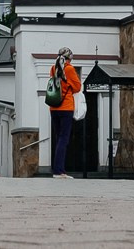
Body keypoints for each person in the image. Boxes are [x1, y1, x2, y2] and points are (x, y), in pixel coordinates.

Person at [47, 45, 82, 177]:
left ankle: (58, 169)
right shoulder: (69, 69)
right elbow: (77, 87)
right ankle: (59, 170)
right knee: (64, 139)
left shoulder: (53, 68)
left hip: (53, 106)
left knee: (58, 138)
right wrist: (70, 85)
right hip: (66, 107)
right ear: (69, 59)